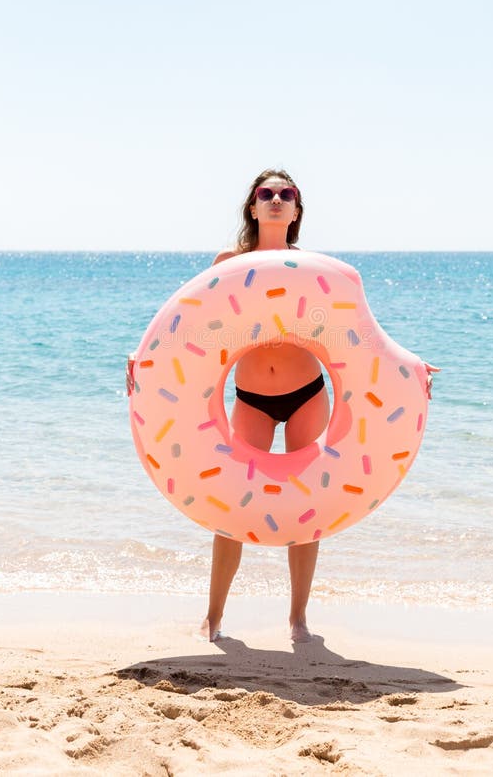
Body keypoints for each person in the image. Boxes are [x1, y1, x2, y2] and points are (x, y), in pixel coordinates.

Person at [127, 168, 438, 643]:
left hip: (306, 394)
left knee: (308, 506)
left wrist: (410, 375)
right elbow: (186, 331)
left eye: (286, 194)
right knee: (228, 505)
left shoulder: (312, 268)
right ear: (252, 207)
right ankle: (213, 616)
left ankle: (298, 619)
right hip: (251, 398)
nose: (276, 199)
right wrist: (145, 362)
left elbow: (358, 337)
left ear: (296, 211)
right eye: (266, 193)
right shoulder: (228, 262)